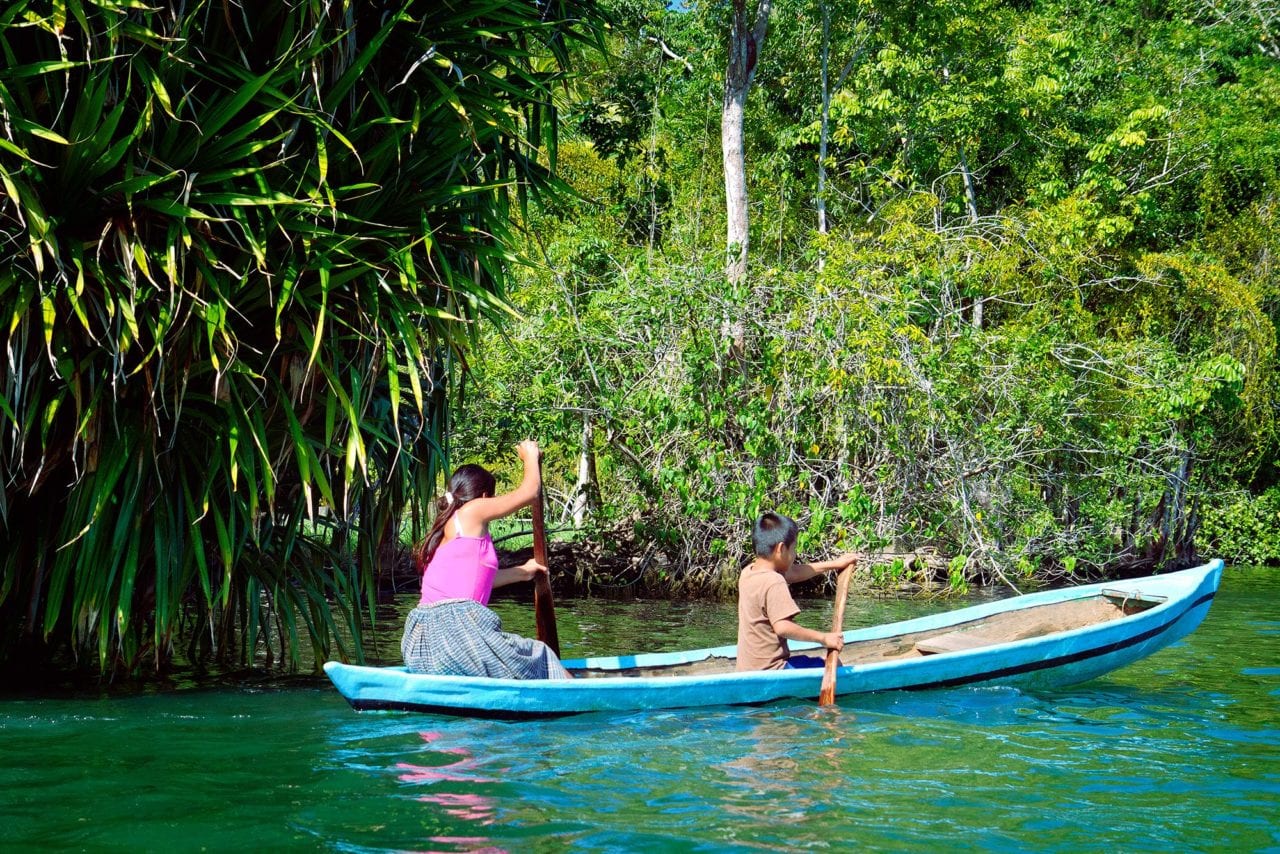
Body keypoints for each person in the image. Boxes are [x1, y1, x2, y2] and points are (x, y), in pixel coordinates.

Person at [401, 440, 572, 679]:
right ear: (483, 496)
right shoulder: (473, 509)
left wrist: (524, 571)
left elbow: (479, 582)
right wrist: (530, 457)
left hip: (421, 644)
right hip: (460, 637)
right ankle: (580, 701)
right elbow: (530, 492)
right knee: (541, 655)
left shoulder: (442, 532)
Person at [736, 511, 857, 671]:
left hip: (747, 668)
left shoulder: (749, 572)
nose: (795, 554)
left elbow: (794, 573)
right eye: (793, 549)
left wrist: (835, 564)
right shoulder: (774, 581)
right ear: (781, 548)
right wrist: (823, 638)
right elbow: (783, 627)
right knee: (836, 666)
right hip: (774, 670)